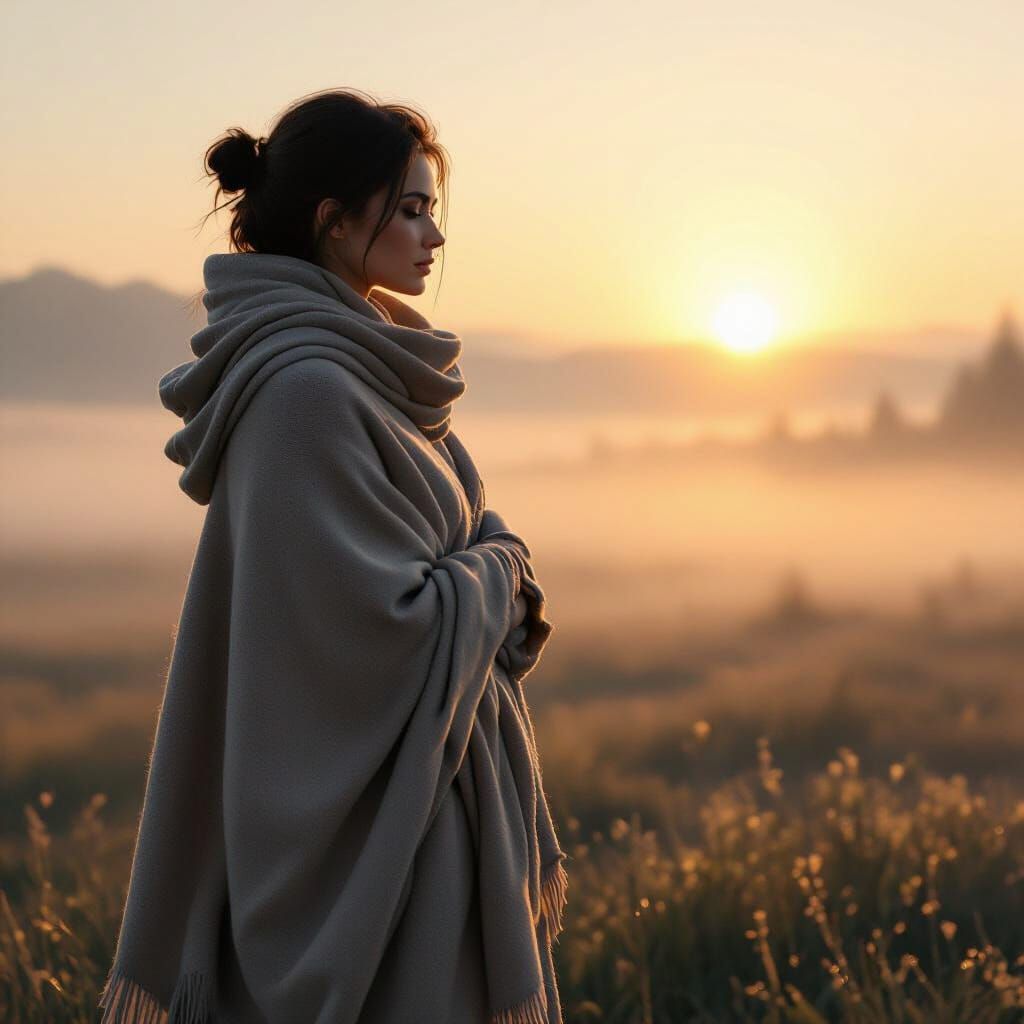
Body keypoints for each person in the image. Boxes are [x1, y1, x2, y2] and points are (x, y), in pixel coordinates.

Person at [97, 88, 568, 1024]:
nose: (434, 236)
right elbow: (379, 635)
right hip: (382, 851)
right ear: (333, 220)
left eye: (433, 209)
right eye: (411, 209)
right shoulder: (305, 394)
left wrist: (488, 562)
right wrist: (502, 568)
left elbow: (439, 561)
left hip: (426, 803)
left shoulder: (371, 369)